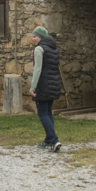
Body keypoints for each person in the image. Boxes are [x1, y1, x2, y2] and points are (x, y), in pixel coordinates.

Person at [29, 25, 63, 153]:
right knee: (48, 113)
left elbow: (37, 69)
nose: (33, 39)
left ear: (41, 37)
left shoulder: (39, 49)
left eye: (35, 36)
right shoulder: (54, 49)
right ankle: (48, 140)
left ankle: (54, 140)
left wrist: (33, 88)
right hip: (53, 85)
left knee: (43, 113)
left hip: (43, 85)